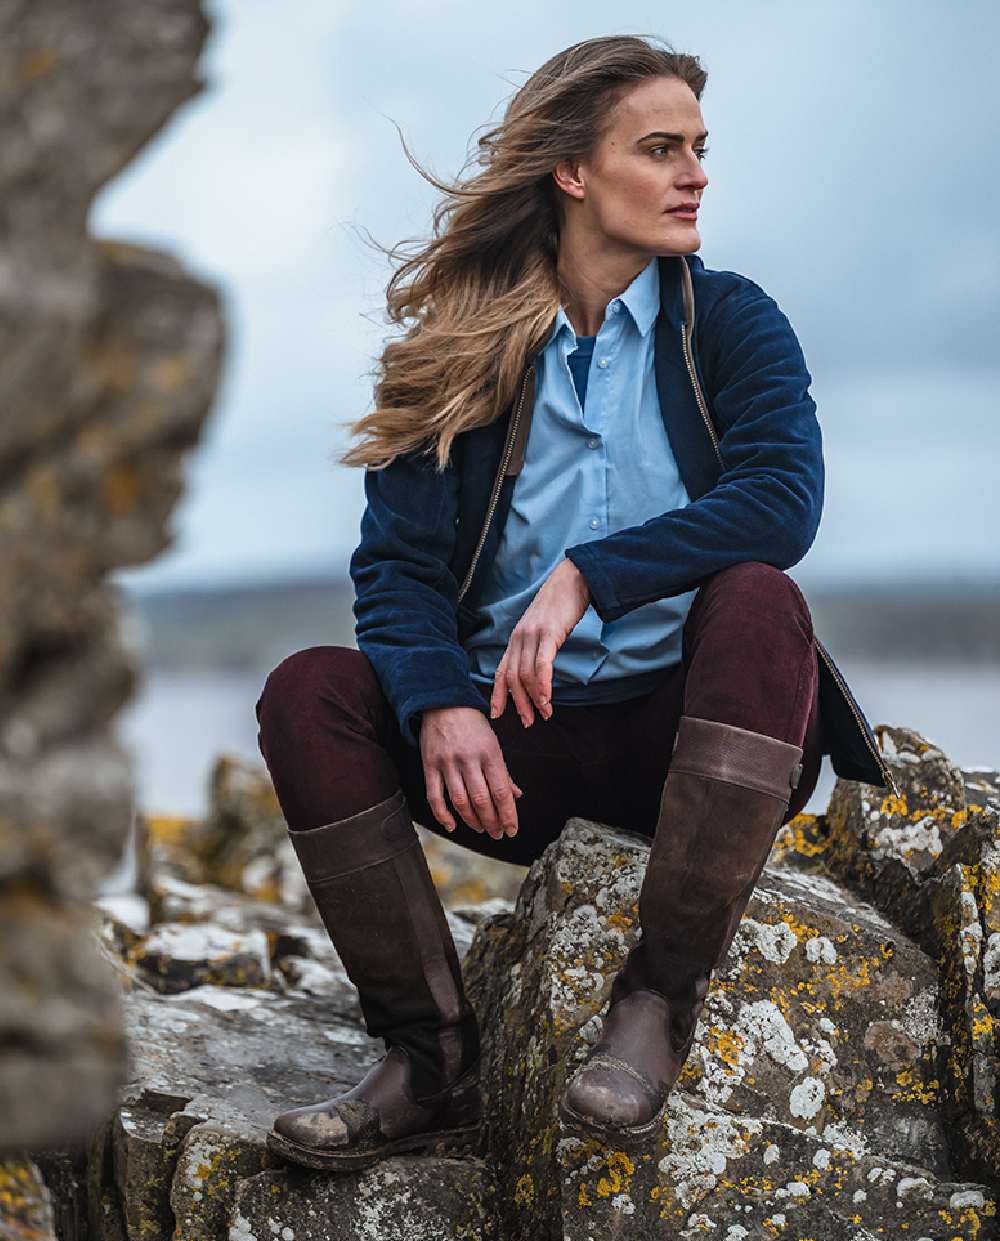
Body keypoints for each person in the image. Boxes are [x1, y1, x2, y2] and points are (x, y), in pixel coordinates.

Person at [254, 34, 894, 1169]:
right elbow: (396, 575)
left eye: (700, 148)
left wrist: (594, 571)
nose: (695, 172)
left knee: (756, 595)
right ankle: (426, 1058)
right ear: (572, 173)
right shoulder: (455, 352)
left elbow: (782, 501)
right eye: (660, 149)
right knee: (309, 691)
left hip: (698, 754)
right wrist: (438, 701)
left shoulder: (732, 323)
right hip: (512, 765)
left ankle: (652, 1006)